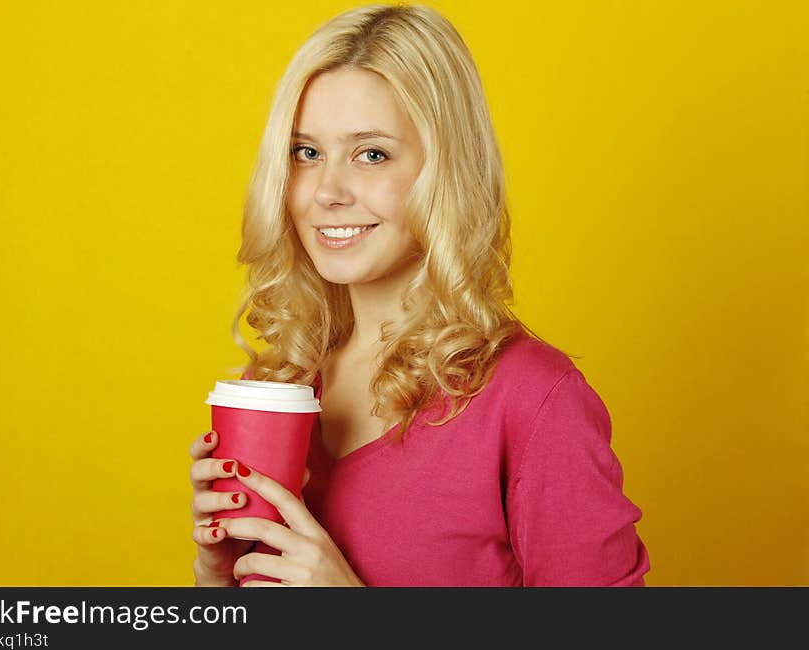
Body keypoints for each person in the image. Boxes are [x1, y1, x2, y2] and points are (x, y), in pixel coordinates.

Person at [189, 3, 651, 586]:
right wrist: (218, 580)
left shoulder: (531, 400)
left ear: (446, 172)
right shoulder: (278, 385)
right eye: (306, 153)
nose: (327, 191)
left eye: (371, 154)